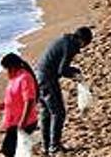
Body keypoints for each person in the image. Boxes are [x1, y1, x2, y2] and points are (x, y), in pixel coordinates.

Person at [36, 27, 93, 156]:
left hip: (38, 76)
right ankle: (54, 147)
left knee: (46, 112)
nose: (82, 48)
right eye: (85, 45)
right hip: (47, 79)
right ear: (82, 40)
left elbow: (61, 67)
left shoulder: (65, 40)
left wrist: (74, 70)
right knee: (58, 112)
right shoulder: (71, 45)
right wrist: (75, 75)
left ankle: (47, 146)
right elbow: (62, 70)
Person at [0, 53, 39, 157]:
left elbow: (29, 100)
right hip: (14, 122)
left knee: (9, 150)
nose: (5, 72)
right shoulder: (14, 78)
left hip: (24, 122)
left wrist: (22, 122)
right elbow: (11, 102)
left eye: (5, 69)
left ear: (12, 67)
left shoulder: (25, 78)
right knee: (12, 151)